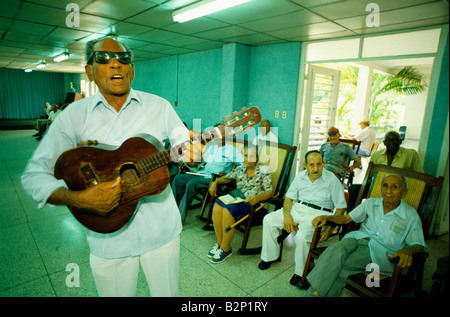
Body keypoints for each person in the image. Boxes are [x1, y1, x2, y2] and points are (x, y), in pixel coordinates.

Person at [21, 37, 201, 297]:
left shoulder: (160, 106)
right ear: (89, 71)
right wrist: (77, 198)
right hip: (108, 240)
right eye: (104, 58)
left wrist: (193, 153)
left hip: (161, 235)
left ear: (132, 69)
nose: (116, 64)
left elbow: (183, 145)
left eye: (124, 58)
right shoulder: (71, 117)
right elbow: (34, 176)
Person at [306, 174, 426, 297]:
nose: (388, 191)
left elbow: (419, 244)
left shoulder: (410, 215)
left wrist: (408, 251)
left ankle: (314, 294)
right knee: (336, 248)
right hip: (358, 238)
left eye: (394, 187)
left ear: (404, 192)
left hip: (379, 251)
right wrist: (327, 217)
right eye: (385, 186)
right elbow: (347, 218)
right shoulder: (371, 203)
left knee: (340, 264)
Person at [258, 150, 347, 287]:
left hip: (319, 214)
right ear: (305, 165)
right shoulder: (300, 177)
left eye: (319, 164)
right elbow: (289, 198)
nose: (315, 169)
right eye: (312, 165)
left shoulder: (332, 180)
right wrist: (287, 215)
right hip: (298, 208)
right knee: (269, 220)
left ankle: (301, 272)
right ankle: (270, 257)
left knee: (302, 236)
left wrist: (330, 229)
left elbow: (341, 207)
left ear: (323, 163)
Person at [207, 145, 273, 263]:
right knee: (217, 206)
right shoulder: (241, 167)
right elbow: (227, 178)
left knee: (228, 210)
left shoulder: (264, 169)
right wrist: (215, 182)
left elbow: (270, 192)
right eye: (246, 155)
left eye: (251, 156)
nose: (248, 159)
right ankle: (220, 243)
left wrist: (258, 197)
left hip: (256, 204)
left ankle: (226, 249)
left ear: (257, 157)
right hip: (239, 199)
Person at [171, 131, 244, 223]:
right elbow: (200, 162)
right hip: (202, 173)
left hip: (214, 178)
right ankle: (173, 211)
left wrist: (228, 174)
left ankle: (179, 217)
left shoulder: (232, 150)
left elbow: (243, 165)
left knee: (192, 183)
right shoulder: (211, 148)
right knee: (179, 178)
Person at [347, 131, 423, 211]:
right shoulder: (376, 156)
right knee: (354, 189)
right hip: (378, 187)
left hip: (397, 190)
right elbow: (370, 176)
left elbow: (420, 177)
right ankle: (351, 219)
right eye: (389, 140)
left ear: (400, 141)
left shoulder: (410, 155)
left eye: (394, 140)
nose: (391, 143)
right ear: (384, 143)